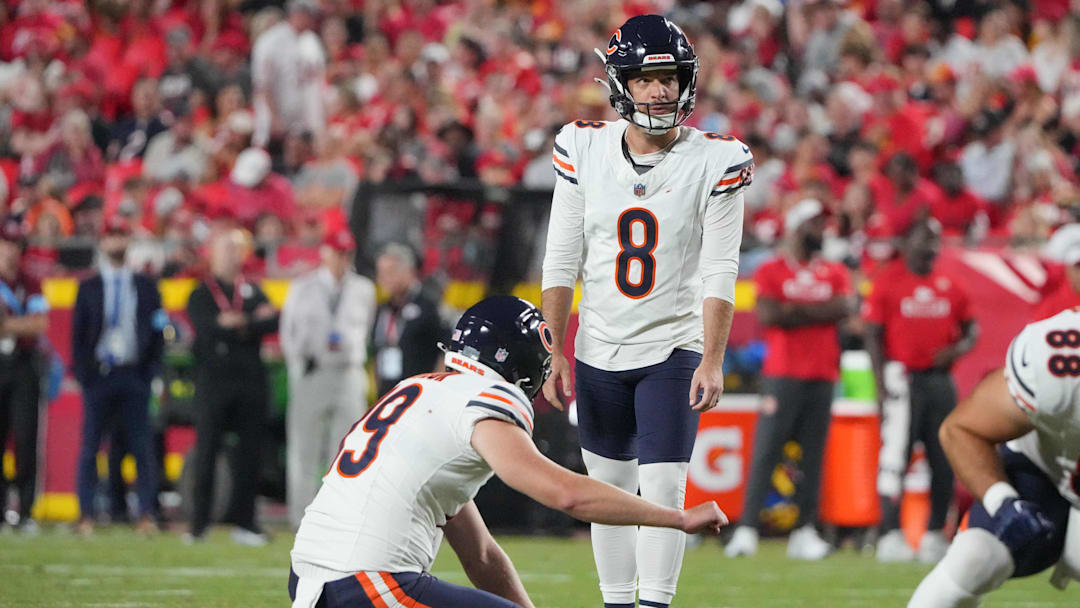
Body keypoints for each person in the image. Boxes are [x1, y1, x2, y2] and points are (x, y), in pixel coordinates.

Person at [289, 296, 729, 608]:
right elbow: (566, 494)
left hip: (314, 578)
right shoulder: (483, 399)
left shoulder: (421, 391)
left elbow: (481, 555)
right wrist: (676, 517)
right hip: (365, 582)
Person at [540, 15, 749, 607]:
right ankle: (615, 602)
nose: (660, 90)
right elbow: (562, 258)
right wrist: (554, 348)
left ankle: (653, 603)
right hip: (599, 344)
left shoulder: (717, 157)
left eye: (670, 77)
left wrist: (712, 357)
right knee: (606, 487)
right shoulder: (582, 144)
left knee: (662, 482)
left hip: (673, 344)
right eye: (647, 78)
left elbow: (720, 267)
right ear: (621, 83)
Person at [907, 308, 1080, 606]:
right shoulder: (1058, 358)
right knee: (976, 555)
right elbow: (963, 429)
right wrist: (1004, 504)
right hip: (1046, 470)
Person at [725, 199, 853, 560]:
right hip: (783, 375)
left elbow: (844, 308)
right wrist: (817, 312)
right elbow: (770, 314)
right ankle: (747, 528)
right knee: (767, 452)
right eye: (814, 225)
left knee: (813, 458)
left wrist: (795, 311)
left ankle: (805, 530)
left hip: (823, 374)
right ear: (797, 228)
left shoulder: (834, 271)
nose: (822, 232)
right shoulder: (772, 270)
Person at [863, 218, 978, 563]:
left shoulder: (951, 283)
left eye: (936, 240)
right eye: (924, 239)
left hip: (939, 380)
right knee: (894, 458)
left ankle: (933, 535)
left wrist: (956, 351)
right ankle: (890, 533)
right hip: (902, 377)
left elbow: (972, 329)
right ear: (907, 241)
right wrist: (881, 384)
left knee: (942, 459)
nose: (931, 246)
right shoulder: (888, 282)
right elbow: (872, 335)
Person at [184, 227, 279, 545]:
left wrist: (237, 322)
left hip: (250, 382)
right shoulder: (201, 293)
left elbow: (272, 320)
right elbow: (207, 327)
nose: (231, 255)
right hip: (214, 382)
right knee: (207, 449)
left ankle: (246, 523)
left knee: (249, 453)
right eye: (225, 249)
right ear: (212, 253)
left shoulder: (252, 289)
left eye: (236, 249)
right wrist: (250, 323)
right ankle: (198, 524)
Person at [72, 217, 165, 536]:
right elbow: (79, 335)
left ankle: (146, 514)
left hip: (133, 373)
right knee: (90, 446)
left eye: (120, 234)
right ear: (101, 242)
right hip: (100, 374)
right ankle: (85, 514)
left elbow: (157, 331)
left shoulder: (145, 285)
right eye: (110, 235)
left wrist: (150, 371)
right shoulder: (89, 286)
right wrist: (85, 376)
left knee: (142, 448)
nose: (115, 241)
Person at [280, 227, 376, 528]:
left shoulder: (363, 288)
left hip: (348, 372)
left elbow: (368, 330)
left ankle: (340, 521)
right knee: (304, 450)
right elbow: (288, 333)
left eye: (347, 253)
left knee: (348, 450)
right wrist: (299, 364)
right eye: (337, 252)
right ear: (325, 252)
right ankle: (302, 521)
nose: (342, 259)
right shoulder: (304, 286)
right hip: (314, 370)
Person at [0, 219, 48, 534]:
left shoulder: (30, 282)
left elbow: (41, 323)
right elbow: (30, 322)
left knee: (27, 439)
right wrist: (22, 323)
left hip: (25, 366)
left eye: (16, 244)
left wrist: (8, 325)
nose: (11, 250)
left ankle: (26, 510)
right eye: (7, 242)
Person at [371, 243, 444, 396]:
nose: (384, 278)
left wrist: (434, 390)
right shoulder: (382, 309)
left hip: (419, 394)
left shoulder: (428, 307)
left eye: (390, 272)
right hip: (388, 392)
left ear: (409, 271)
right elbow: (377, 352)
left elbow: (444, 350)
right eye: (381, 272)